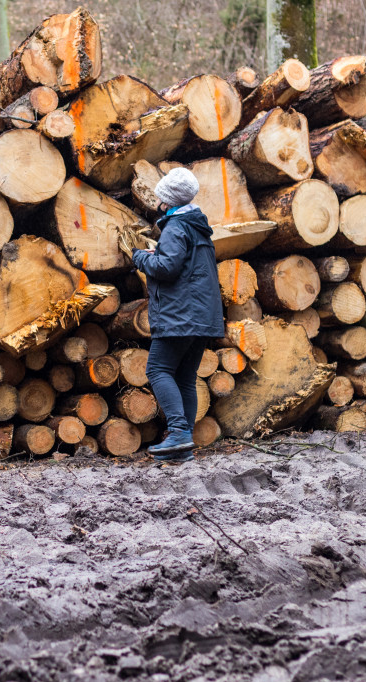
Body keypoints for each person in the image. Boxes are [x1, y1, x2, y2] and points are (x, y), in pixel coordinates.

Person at [128, 168, 224, 462]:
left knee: (157, 370)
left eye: (159, 197)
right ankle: (183, 447)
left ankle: (179, 433)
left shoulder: (176, 227)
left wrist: (140, 256)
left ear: (166, 201)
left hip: (180, 317)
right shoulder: (196, 227)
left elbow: (167, 268)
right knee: (184, 377)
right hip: (202, 318)